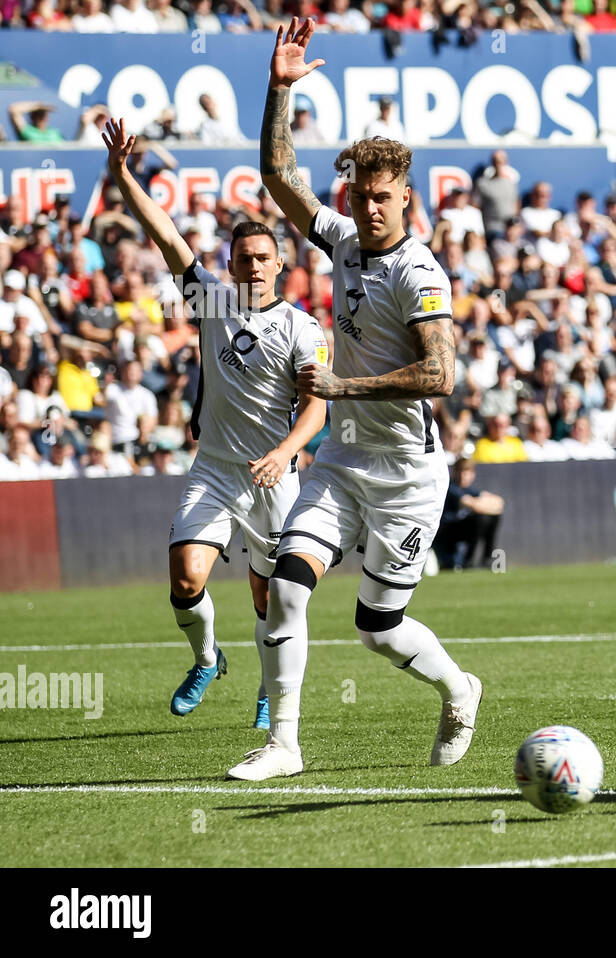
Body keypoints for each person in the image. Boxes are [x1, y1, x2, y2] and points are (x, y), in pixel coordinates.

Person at [230, 18, 482, 781]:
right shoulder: (341, 240)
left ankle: (459, 689)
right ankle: (284, 745)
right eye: (360, 197)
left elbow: (441, 375)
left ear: (406, 197)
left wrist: (343, 385)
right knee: (287, 583)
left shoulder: (420, 273)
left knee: (377, 628)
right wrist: (278, 90)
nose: (369, 209)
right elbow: (279, 179)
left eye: (382, 198)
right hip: (342, 461)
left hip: (407, 473)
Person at [103, 117, 329, 729]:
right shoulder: (212, 301)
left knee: (269, 599)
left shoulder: (303, 329)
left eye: (263, 258)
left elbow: (317, 405)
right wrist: (123, 174)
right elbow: (166, 236)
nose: (253, 267)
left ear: (280, 264)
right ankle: (207, 658)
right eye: (243, 259)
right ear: (229, 266)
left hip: (273, 479)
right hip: (215, 470)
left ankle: (267, 689)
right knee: (185, 575)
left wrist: (286, 453)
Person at [432, 458, 505, 572]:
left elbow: (499, 502)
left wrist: (481, 504)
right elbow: (473, 505)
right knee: (479, 518)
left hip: (460, 529)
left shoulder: (470, 490)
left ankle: (487, 559)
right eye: (461, 472)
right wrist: (482, 504)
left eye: (467, 473)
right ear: (455, 472)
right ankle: (469, 560)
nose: (463, 476)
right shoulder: (451, 488)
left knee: (492, 518)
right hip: (445, 532)